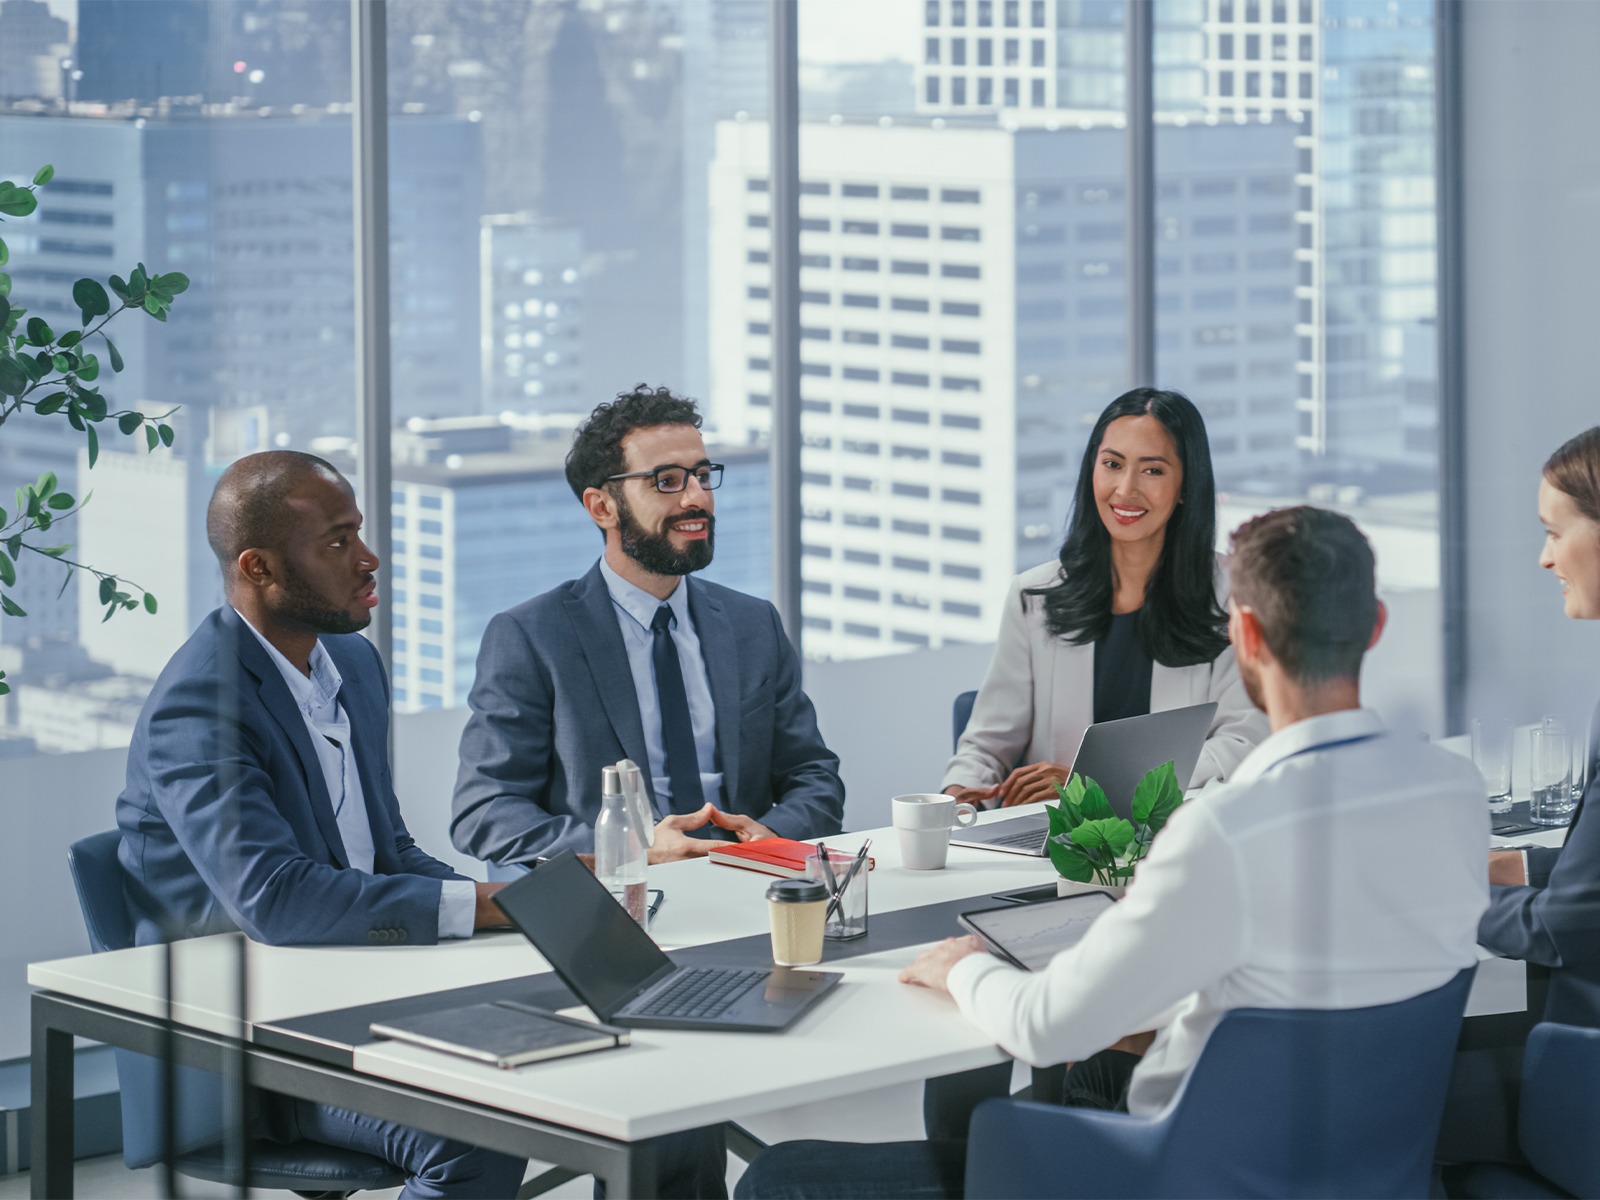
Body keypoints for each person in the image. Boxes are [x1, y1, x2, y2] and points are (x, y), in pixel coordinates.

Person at [736, 506, 1489, 1200]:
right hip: (1357, 1170)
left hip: (1166, 1174)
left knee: (782, 1177)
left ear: (1247, 636)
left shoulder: (1225, 832)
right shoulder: (1455, 791)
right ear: (1376, 624)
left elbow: (1045, 1026)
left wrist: (960, 965)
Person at [118, 451, 527, 1199]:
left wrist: (515, 906)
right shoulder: (199, 706)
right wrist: (483, 906)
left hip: (353, 992)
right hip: (248, 1045)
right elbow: (275, 899)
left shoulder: (351, 664)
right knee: (485, 1133)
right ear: (259, 567)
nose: (369, 559)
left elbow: (389, 850)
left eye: (358, 533)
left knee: (592, 1062)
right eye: (337, 542)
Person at [451, 384, 845, 868]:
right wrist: (634, 848)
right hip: (619, 893)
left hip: (749, 878)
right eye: (667, 481)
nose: (697, 498)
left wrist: (770, 839)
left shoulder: (752, 623)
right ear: (602, 507)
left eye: (703, 476)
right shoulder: (532, 637)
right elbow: (484, 812)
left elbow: (813, 775)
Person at [942, 388, 1266, 811]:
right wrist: (956, 803)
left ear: (1186, 485)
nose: (1125, 489)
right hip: (1055, 841)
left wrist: (1099, 786)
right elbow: (985, 747)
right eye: (1112, 464)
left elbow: (1243, 744)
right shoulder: (1034, 596)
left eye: (1152, 470)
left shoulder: (1235, 597)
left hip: (1179, 833)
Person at [1439, 425, 1600, 1172]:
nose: (1544, 558)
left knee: (1389, 1116)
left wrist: (1437, 892)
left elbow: (1566, 928)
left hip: (1582, 1088)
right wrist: (1504, 866)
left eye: (1554, 533)